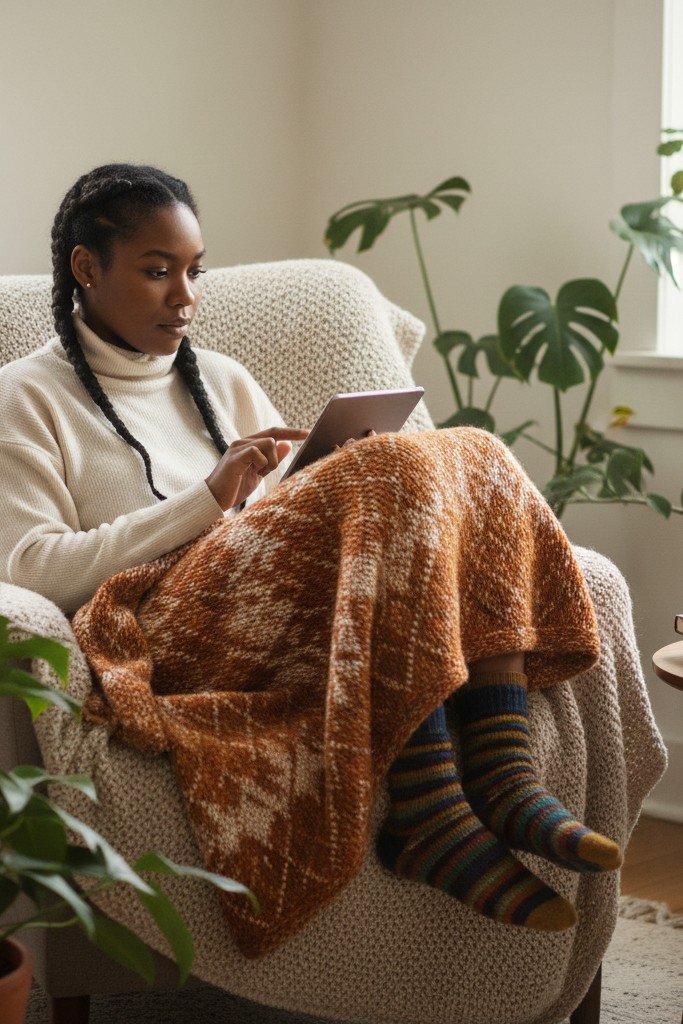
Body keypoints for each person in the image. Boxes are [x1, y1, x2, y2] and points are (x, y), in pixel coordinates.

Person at [0, 163, 622, 936]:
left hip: (277, 607)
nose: (185, 297)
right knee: (386, 467)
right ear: (86, 269)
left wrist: (313, 485)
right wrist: (209, 498)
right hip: (160, 632)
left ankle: (499, 764)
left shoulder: (220, 378)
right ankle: (427, 802)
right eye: (157, 272)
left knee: (475, 449)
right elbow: (28, 568)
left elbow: (290, 506)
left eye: (194, 271)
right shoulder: (23, 395)